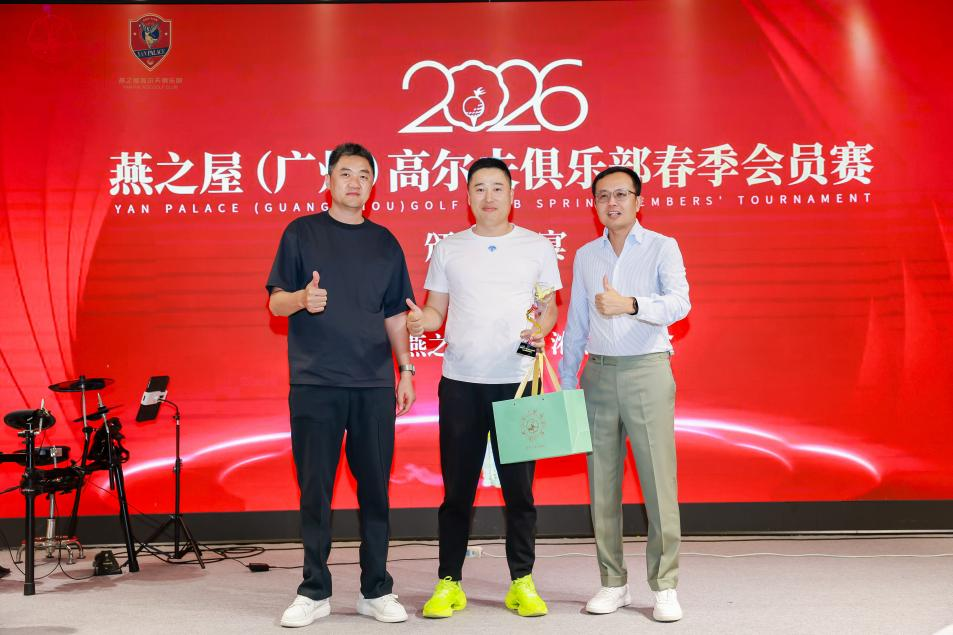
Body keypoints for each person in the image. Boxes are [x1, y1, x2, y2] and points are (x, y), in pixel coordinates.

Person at [266, 142, 416, 627]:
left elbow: (395, 314)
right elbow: (275, 303)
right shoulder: (301, 233)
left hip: (373, 384)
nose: (355, 182)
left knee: (375, 491)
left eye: (364, 175)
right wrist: (301, 299)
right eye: (346, 173)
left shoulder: (385, 242)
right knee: (316, 490)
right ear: (329, 181)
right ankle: (314, 591)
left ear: (373, 185)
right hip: (316, 382)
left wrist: (406, 369)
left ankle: (376, 590)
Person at [405, 157, 562, 618]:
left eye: (497, 187)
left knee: (520, 492)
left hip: (519, 382)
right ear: (468, 196)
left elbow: (548, 308)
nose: (488, 196)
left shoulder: (536, 246)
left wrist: (541, 328)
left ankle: (522, 581)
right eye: (479, 188)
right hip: (461, 383)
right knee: (457, 491)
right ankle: (449, 582)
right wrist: (420, 321)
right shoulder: (449, 249)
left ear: (512, 194)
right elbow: (436, 312)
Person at [558, 166, 690, 622]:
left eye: (620, 194)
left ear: (638, 200)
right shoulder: (586, 255)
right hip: (597, 374)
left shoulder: (661, 246)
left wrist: (631, 304)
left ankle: (665, 585)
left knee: (658, 481)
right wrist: (568, 383)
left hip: (646, 371)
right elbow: (577, 321)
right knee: (602, 485)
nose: (611, 203)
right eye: (602, 196)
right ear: (594, 204)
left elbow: (681, 303)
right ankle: (612, 582)